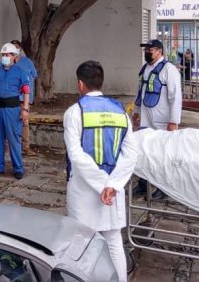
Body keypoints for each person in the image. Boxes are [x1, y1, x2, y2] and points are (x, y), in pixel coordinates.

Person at [64, 60, 137, 282]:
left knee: (81, 243)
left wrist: (101, 183)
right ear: (101, 82)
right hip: (113, 190)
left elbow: (75, 154)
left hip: (84, 188)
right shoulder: (120, 112)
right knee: (114, 241)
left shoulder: (75, 112)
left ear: (80, 84)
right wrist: (112, 184)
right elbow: (130, 153)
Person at [133, 39, 182, 198]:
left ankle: (164, 188)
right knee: (144, 151)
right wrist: (136, 113)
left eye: (150, 49)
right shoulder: (145, 68)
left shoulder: (169, 69)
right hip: (146, 119)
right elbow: (140, 92)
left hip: (162, 121)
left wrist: (174, 121)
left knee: (162, 154)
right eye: (145, 49)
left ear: (160, 51)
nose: (147, 52)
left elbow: (175, 97)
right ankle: (143, 183)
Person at [0, 43, 30, 179]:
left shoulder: (21, 72)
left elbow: (26, 91)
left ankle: (18, 168)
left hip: (12, 109)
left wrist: (25, 109)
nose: (4, 57)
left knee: (14, 139)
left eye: (7, 54)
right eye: (3, 54)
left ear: (14, 56)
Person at [11, 39, 38, 156]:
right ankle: (9, 147)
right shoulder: (6, 63)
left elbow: (34, 76)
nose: (15, 49)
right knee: (10, 122)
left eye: (17, 47)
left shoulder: (27, 62)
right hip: (11, 97)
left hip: (24, 98)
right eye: (12, 47)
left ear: (20, 48)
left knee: (25, 121)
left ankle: (26, 147)